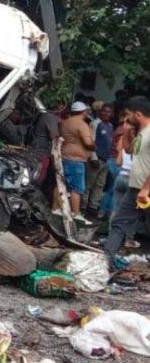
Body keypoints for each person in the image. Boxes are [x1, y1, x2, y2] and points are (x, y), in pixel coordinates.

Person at [104, 96, 150, 267]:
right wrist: (126, 131)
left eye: (127, 115)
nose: (125, 118)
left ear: (138, 114)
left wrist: (146, 189)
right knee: (118, 222)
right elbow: (129, 150)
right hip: (134, 189)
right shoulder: (142, 132)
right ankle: (106, 261)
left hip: (145, 190)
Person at [59, 101, 95, 224]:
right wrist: (94, 147)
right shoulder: (81, 124)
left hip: (64, 156)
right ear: (84, 112)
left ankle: (56, 209)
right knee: (77, 188)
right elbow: (88, 143)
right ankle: (76, 214)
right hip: (76, 159)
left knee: (60, 184)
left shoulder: (65, 122)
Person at [85, 103, 114, 218]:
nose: (106, 113)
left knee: (100, 185)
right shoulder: (96, 124)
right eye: (104, 111)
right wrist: (93, 157)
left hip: (106, 160)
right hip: (96, 159)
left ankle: (93, 207)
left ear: (112, 114)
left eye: (109, 112)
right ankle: (83, 208)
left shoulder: (110, 126)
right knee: (89, 184)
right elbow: (91, 141)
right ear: (100, 112)